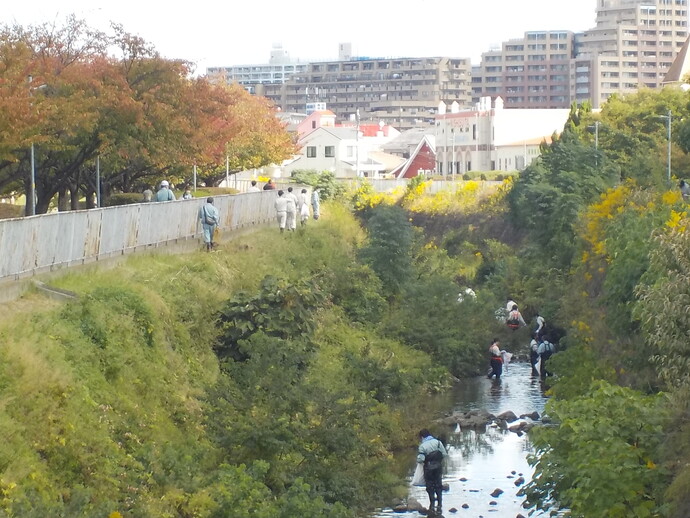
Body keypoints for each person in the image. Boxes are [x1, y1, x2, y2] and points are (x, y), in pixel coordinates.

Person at [417, 429, 448, 515]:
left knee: (430, 485)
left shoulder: (422, 446)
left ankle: (432, 504)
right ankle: (440, 504)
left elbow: (420, 459)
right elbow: (444, 454)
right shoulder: (438, 443)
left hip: (428, 468)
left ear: (422, 437)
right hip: (438, 467)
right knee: (438, 484)